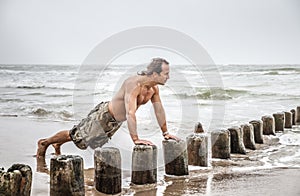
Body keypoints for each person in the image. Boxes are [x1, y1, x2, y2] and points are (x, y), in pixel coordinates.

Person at [36, 58, 179, 158]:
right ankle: (45, 143)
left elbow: (159, 110)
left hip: (115, 122)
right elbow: (130, 112)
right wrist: (135, 139)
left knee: (84, 141)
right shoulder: (134, 84)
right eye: (166, 74)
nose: (168, 77)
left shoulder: (154, 89)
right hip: (104, 116)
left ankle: (57, 144)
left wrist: (165, 133)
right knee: (75, 136)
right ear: (155, 74)